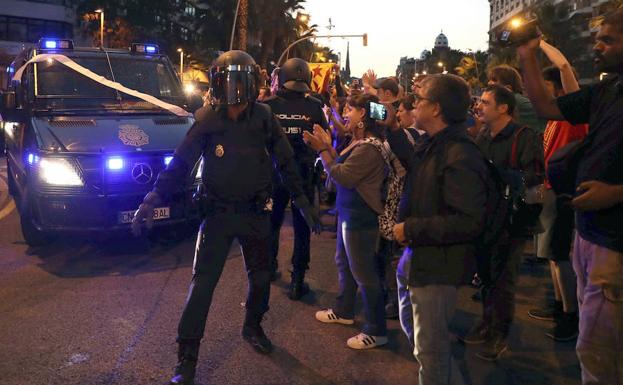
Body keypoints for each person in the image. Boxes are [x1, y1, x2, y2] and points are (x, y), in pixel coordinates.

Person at [131, 50, 320, 385]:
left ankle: (253, 326)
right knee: (202, 287)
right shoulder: (208, 119)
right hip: (217, 215)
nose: (234, 89)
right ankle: (186, 358)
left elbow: (286, 162)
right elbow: (181, 163)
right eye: (228, 80)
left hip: (254, 214)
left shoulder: (264, 117)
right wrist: (152, 197)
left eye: (240, 80)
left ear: (252, 84)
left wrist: (303, 201)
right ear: (218, 84)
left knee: (261, 278)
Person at [517, 9, 623, 384]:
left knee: (600, 353)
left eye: (608, 39)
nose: (597, 45)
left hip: (614, 243)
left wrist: (615, 192)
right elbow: (548, 107)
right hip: (589, 234)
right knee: (591, 344)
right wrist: (528, 54)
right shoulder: (609, 90)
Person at [393, 74, 490, 385]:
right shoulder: (432, 144)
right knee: (425, 343)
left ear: (435, 109)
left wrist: (411, 227)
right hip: (418, 255)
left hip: (437, 265)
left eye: (419, 100)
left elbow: (468, 220)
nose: (413, 105)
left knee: (432, 352)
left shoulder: (460, 154)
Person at [462, 84, 543, 361]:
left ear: (504, 108)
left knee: (503, 280)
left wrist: (496, 172)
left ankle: (499, 333)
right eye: (479, 102)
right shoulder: (483, 134)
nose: (479, 106)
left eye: (485, 102)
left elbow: (533, 178)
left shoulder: (524, 136)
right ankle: (486, 322)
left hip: (512, 221)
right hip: (485, 217)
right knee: (485, 275)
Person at [304, 93, 389, 350]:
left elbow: (343, 176)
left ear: (363, 113)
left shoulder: (369, 147)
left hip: (361, 217)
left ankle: (376, 329)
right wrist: (329, 146)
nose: (345, 116)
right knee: (345, 264)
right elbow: (339, 166)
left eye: (349, 110)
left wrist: (322, 149)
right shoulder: (358, 141)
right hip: (348, 212)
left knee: (365, 274)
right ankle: (344, 310)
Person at [527, 41, 588, 343]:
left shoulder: (574, 113)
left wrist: (537, 43)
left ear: (560, 89)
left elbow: (564, 67)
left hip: (566, 192)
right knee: (554, 255)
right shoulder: (554, 116)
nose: (542, 92)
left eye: (547, 86)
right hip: (552, 189)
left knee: (560, 254)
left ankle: (571, 316)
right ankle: (560, 305)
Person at [263, 58, 329, 300]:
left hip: (275, 174)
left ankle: (268, 267)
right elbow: (325, 136)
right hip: (303, 175)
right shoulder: (314, 106)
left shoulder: (268, 106)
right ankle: (297, 280)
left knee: (272, 222)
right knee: (303, 228)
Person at [488, 65, 547, 134]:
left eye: (494, 80)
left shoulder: (516, 100)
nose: (489, 83)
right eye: (490, 79)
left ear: (508, 88)